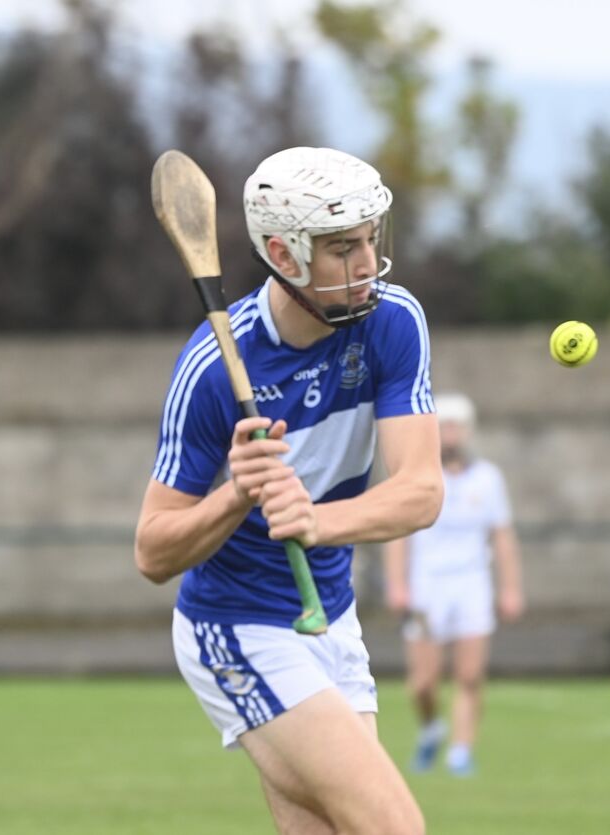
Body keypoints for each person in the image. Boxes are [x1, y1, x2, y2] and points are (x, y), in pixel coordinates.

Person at [135, 147, 442, 835]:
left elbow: (421, 491)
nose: (367, 263)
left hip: (330, 613)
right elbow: (152, 551)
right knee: (393, 826)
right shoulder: (215, 370)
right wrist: (235, 495)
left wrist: (317, 519)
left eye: (371, 239)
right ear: (284, 251)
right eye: (342, 247)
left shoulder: (393, 322)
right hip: (237, 623)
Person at [383, 391, 524, 777]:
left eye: (457, 427)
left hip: (472, 586)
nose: (451, 434)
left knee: (469, 676)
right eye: (444, 427)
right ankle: (431, 728)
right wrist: (397, 584)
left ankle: (461, 751)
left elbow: (502, 536)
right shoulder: (421, 478)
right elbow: (399, 533)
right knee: (423, 683)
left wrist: (510, 589)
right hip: (427, 587)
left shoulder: (488, 479)